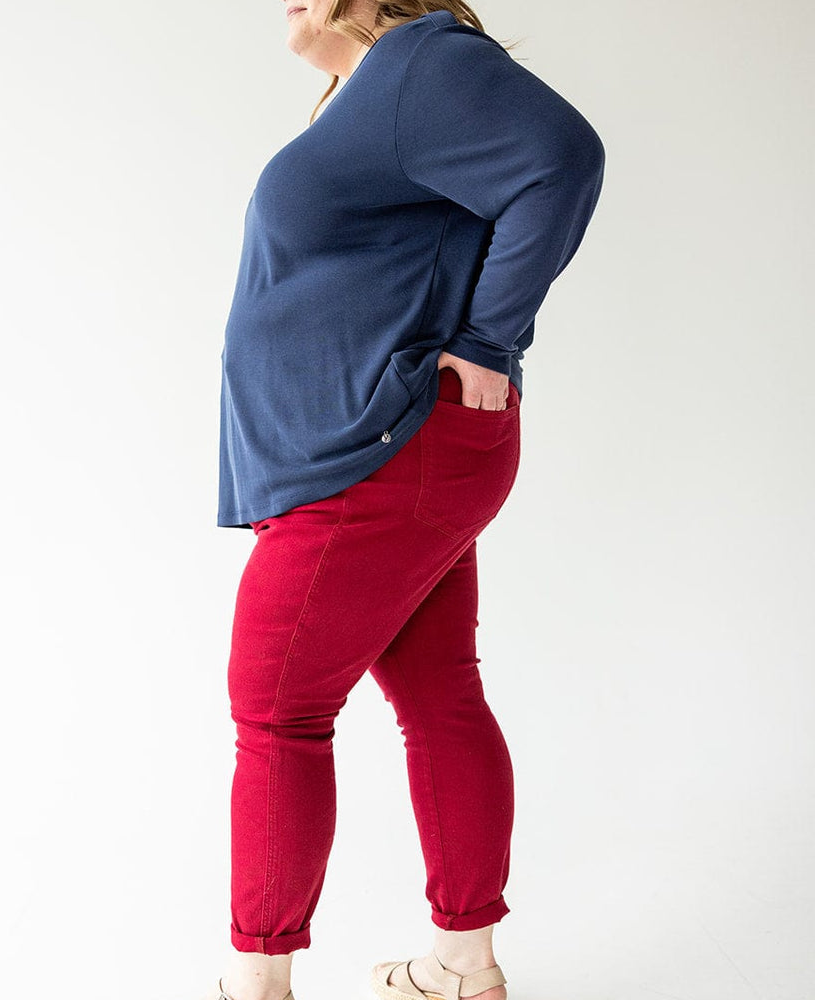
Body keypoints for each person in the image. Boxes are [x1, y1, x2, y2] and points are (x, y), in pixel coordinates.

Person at [212, 3, 606, 1000]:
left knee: (278, 710)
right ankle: (462, 968)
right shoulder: (376, 91)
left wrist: (487, 338)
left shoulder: (417, 60)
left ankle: (254, 983)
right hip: (387, 454)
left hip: (379, 453)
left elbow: (563, 154)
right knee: (438, 692)